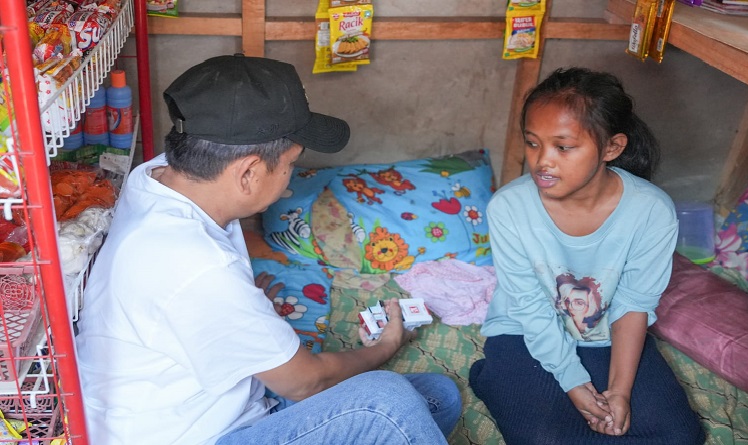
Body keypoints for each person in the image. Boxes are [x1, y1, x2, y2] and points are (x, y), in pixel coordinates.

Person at [75, 54, 460, 445]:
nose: (291, 178)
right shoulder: (197, 265)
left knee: (436, 396)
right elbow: (306, 383)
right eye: (292, 164)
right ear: (248, 174)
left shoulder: (158, 178)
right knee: (388, 402)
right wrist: (386, 345)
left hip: (226, 408)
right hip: (199, 436)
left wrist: (241, 308)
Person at [468, 67, 705, 445]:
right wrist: (574, 383)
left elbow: (632, 304)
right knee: (544, 438)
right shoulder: (509, 208)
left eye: (563, 147)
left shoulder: (651, 210)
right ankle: (495, 372)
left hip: (609, 336)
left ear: (612, 147)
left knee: (678, 436)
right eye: (533, 143)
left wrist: (619, 391)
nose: (543, 161)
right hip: (525, 333)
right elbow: (528, 305)